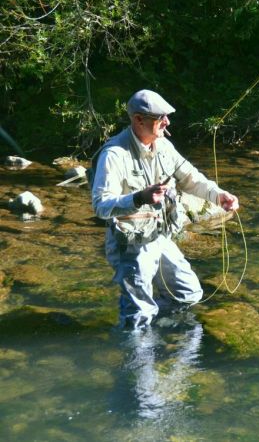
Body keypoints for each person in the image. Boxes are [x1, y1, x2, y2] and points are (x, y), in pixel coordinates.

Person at [92, 89, 239, 328]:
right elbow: (100, 206)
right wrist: (139, 197)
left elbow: (191, 178)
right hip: (130, 245)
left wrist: (219, 195)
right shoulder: (114, 154)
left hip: (159, 237)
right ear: (139, 119)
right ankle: (136, 344)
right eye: (161, 118)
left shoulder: (164, 146)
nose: (167, 122)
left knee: (188, 294)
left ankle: (154, 331)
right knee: (138, 316)